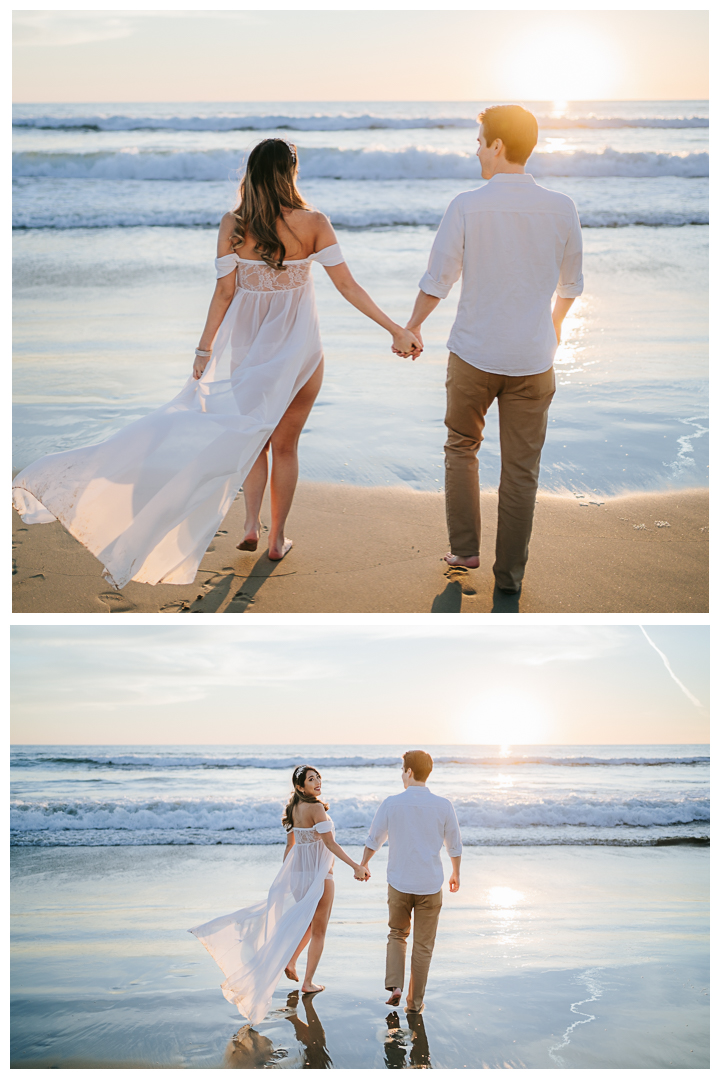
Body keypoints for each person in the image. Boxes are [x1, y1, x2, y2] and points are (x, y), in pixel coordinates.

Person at [12, 139, 420, 589]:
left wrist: (203, 350)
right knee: (285, 445)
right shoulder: (315, 223)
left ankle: (250, 524)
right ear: (292, 172)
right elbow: (348, 286)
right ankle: (277, 538)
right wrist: (395, 329)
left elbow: (224, 293)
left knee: (252, 438)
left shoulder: (234, 224)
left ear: (251, 173)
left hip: (248, 350)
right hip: (301, 348)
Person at [399, 105, 584, 595]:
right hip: (534, 359)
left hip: (474, 355)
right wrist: (553, 329)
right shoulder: (562, 207)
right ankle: (510, 577)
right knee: (521, 473)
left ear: (497, 146)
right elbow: (571, 285)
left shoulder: (466, 205)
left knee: (462, 447)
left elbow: (439, 280)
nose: (476, 150)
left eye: (480, 141)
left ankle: (464, 549)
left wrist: (412, 327)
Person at [189, 765, 369, 1025]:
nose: (317, 781)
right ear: (300, 787)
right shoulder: (316, 808)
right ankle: (307, 983)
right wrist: (356, 866)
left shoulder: (293, 809)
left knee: (308, 922)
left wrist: (285, 880)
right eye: (311, 779)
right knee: (319, 930)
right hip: (321, 877)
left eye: (318, 777)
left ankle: (291, 961)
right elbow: (329, 844)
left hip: (299, 876)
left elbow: (290, 846)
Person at [360, 750, 462, 1013]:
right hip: (430, 885)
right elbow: (454, 845)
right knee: (423, 946)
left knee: (397, 934)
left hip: (399, 883)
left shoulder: (391, 803)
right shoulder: (443, 805)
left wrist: (364, 863)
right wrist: (456, 872)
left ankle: (395, 985)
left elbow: (375, 839)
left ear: (408, 772)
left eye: (402, 770)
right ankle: (414, 1004)